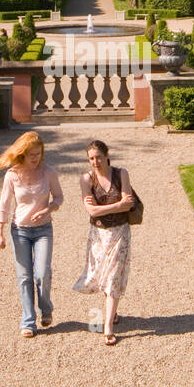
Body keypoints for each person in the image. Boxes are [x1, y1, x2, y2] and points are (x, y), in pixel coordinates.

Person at [0, 132, 64, 336]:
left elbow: (59, 198)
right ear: (22, 154)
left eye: (38, 154)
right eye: (31, 154)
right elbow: (4, 205)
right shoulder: (12, 175)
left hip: (43, 230)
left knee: (42, 273)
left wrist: (48, 209)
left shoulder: (49, 172)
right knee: (24, 277)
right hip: (20, 231)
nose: (35, 158)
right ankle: (28, 321)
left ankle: (46, 308)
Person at [72, 140, 135, 346]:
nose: (95, 162)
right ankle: (113, 312)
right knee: (101, 275)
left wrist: (103, 208)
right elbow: (92, 211)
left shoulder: (121, 174)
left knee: (114, 277)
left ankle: (107, 326)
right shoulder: (87, 179)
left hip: (120, 233)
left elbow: (129, 204)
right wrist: (117, 205)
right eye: (91, 158)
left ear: (107, 155)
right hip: (98, 235)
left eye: (98, 157)